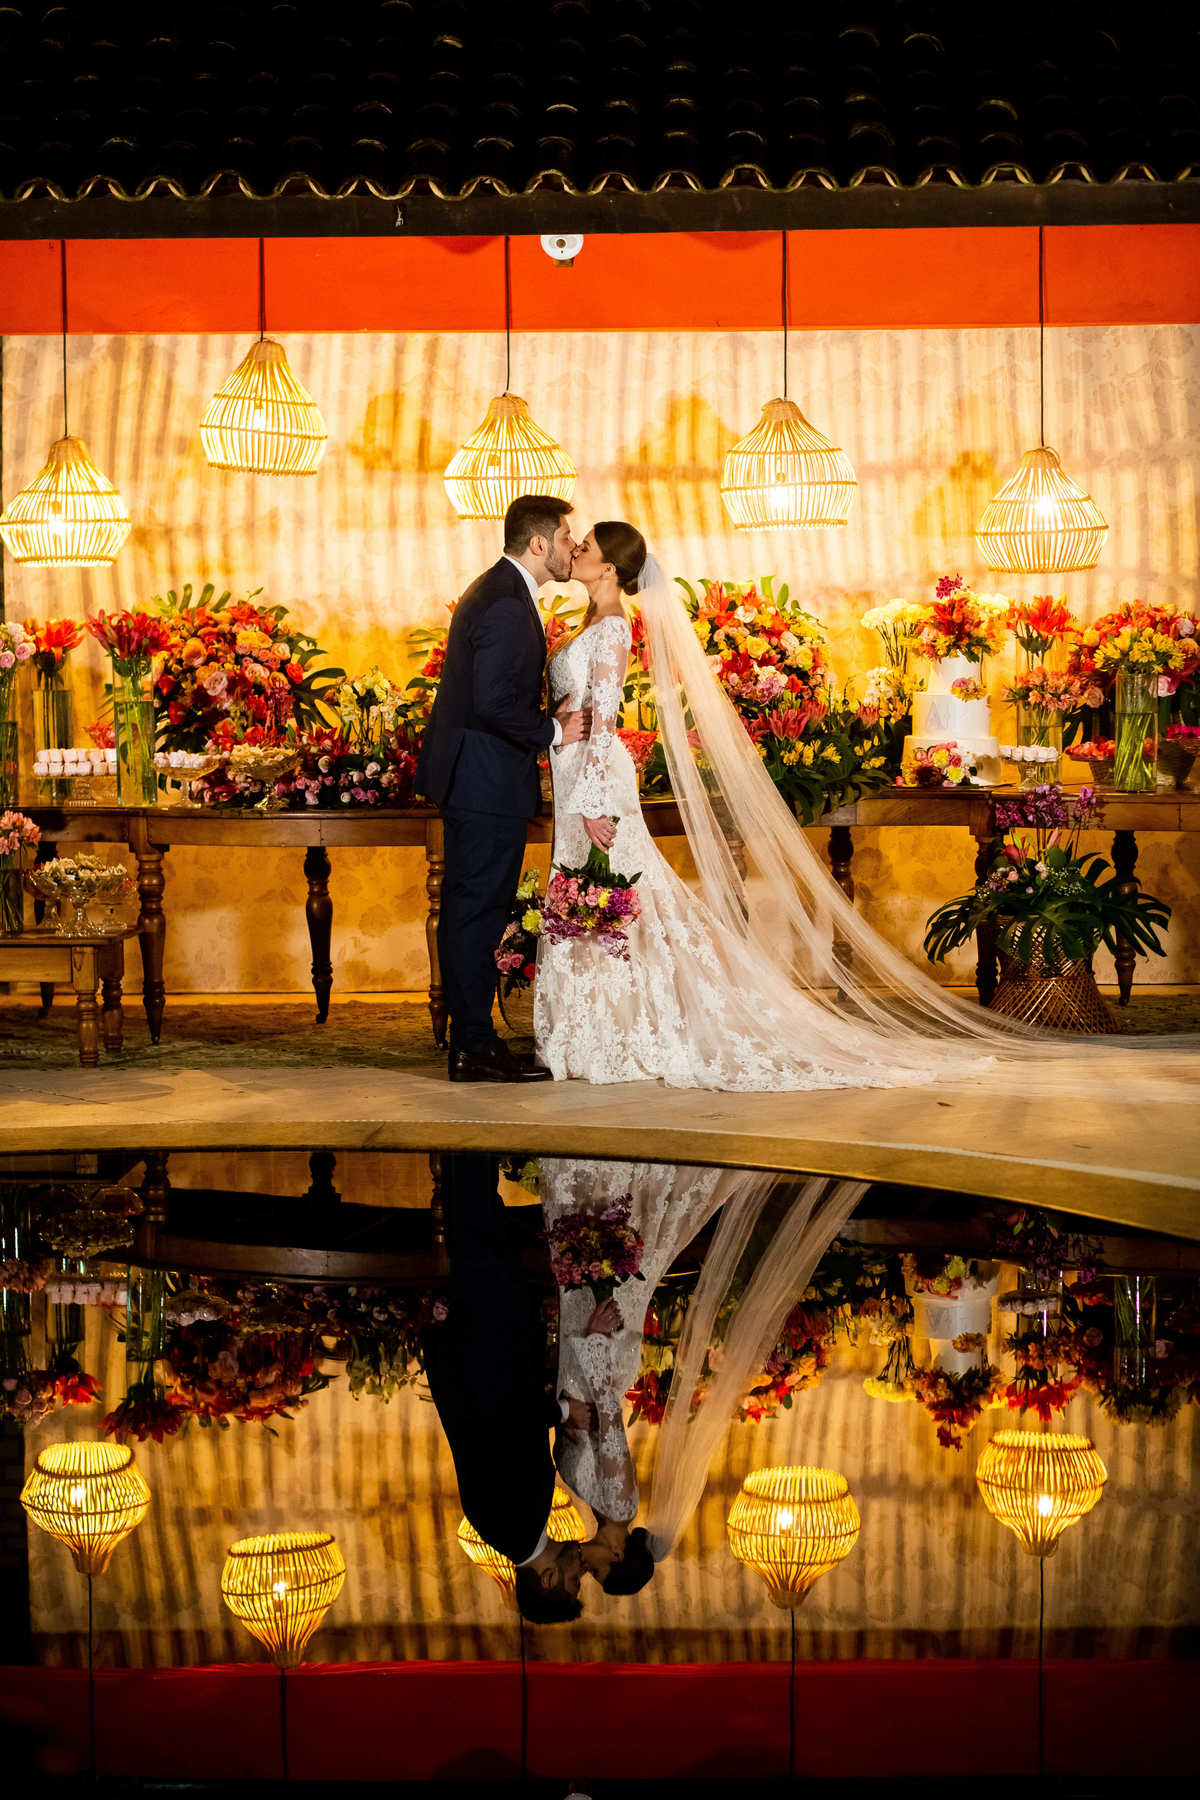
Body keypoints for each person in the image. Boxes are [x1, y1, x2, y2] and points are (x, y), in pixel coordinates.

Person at [534, 523, 1200, 1094]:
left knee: (611, 891)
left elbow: (605, 717)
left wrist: (593, 796)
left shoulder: (616, 625)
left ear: (613, 566)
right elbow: (581, 709)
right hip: (574, 770)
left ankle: (617, 1033)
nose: (578, 547)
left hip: (594, 781)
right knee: (604, 894)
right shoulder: (589, 620)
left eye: (587, 543)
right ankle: (602, 1027)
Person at [415, 495, 588, 1083]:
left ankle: (472, 1041)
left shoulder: (501, 592)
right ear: (539, 544)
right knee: (476, 912)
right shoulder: (506, 604)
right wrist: (553, 730)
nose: (573, 547)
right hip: (483, 780)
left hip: (478, 775)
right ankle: (472, 1045)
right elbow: (493, 703)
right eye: (567, 538)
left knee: (475, 909)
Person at [422, 1152, 584, 1624]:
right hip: (483, 1347)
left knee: (477, 1230)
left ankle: (467, 1136)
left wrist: (562, 1415)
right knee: (476, 1225)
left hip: (488, 1344)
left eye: (573, 1582)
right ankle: (461, 1145)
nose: (579, 1573)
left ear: (548, 1580)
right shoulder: (506, 1531)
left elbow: (505, 1424)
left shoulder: (518, 1522)